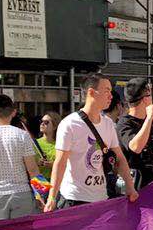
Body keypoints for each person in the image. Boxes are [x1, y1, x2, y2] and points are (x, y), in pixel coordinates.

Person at [45, 74, 138, 209]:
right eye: (106, 91)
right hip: (74, 198)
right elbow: (60, 163)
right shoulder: (69, 124)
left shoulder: (108, 124)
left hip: (100, 198)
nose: (111, 96)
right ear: (91, 92)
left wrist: (130, 187)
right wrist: (51, 197)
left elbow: (120, 159)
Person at [0, 94, 42, 219]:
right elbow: (32, 169)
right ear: (14, 112)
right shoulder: (22, 135)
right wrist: (40, 195)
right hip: (21, 192)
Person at [116, 77, 153, 190]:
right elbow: (135, 147)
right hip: (134, 188)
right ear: (145, 98)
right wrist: (149, 118)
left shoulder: (149, 123)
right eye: (150, 94)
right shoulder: (124, 123)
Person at [35, 112, 59, 177]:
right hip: (39, 183)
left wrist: (53, 165)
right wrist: (37, 163)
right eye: (41, 121)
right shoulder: (33, 143)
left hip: (55, 182)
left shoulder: (60, 145)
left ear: (55, 126)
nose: (42, 124)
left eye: (46, 122)